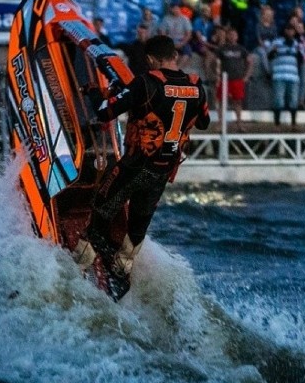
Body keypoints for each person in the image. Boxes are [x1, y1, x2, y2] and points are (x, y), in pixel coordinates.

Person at [73, 36, 210, 300]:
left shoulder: (146, 83)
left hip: (135, 167)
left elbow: (103, 112)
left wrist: (92, 90)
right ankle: (120, 273)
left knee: (101, 212)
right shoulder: (196, 86)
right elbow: (203, 121)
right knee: (137, 228)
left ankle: (76, 268)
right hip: (163, 171)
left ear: (150, 60)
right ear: (175, 56)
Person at [216, 27, 254, 132]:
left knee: (238, 102)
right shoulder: (222, 49)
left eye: (234, 35)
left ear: (237, 36)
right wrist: (217, 76)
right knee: (222, 101)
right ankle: (220, 124)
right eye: (230, 34)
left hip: (237, 79)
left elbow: (250, 62)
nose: (232, 37)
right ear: (227, 36)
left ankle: (239, 124)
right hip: (225, 79)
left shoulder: (241, 49)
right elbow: (217, 63)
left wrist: (246, 76)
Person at [267, 24, 303, 129]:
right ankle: (277, 124)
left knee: (293, 101)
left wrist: (299, 52)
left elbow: (301, 60)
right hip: (279, 75)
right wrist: (274, 50)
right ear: (285, 31)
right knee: (278, 100)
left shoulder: (297, 44)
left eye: (292, 30)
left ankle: (293, 124)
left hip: (293, 76)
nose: (290, 32)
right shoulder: (277, 42)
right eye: (288, 30)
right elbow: (269, 56)